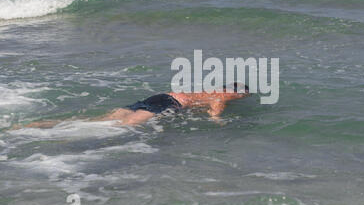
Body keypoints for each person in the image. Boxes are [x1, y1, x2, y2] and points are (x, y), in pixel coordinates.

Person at [19, 82, 250, 128]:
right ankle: (54, 135)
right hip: (170, 102)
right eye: (242, 96)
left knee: (103, 119)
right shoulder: (220, 97)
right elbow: (214, 115)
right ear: (234, 93)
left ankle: (39, 125)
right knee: (120, 126)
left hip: (160, 96)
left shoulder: (208, 90)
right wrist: (220, 123)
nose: (240, 99)